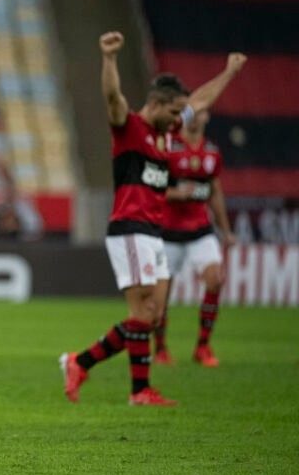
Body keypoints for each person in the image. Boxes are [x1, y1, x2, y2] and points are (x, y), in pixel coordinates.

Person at [59, 31, 245, 406]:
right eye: (174, 112)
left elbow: (199, 101)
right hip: (129, 230)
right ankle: (123, 383)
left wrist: (229, 73)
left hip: (153, 232)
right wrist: (109, 59)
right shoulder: (129, 129)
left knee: (154, 315)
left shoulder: (167, 129)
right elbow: (112, 98)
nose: (180, 119)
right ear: (157, 104)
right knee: (142, 312)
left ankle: (94, 368)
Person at [154, 109, 233, 367]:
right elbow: (153, 187)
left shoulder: (212, 152)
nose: (198, 116)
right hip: (168, 231)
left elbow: (216, 191)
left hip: (200, 229)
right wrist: (178, 194)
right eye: (193, 112)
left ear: (208, 117)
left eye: (202, 112)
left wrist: (225, 229)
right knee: (161, 296)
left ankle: (202, 346)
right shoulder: (170, 148)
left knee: (215, 280)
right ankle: (161, 348)